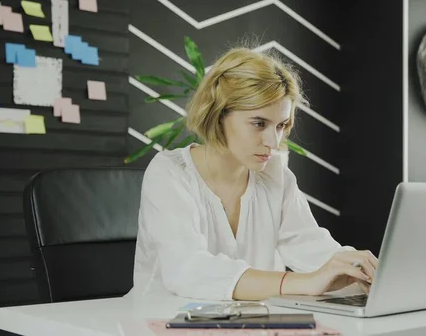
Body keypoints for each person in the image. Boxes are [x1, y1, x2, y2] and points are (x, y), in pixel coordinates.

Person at [126, 47, 378, 301]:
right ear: (218, 114)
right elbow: (187, 270)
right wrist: (308, 282)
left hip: (248, 324)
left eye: (281, 125)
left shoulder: (277, 177)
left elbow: (312, 248)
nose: (273, 141)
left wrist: (360, 270)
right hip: (159, 322)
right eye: (259, 123)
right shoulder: (169, 173)